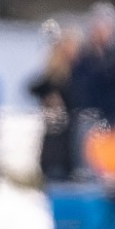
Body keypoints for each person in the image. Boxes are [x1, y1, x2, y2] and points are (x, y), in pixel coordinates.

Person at [68, 4, 115, 135]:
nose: (100, 32)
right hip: (89, 119)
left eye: (105, 27)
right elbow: (80, 90)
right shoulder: (84, 58)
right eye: (96, 27)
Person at [30, 27, 79, 183]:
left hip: (72, 131)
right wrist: (49, 97)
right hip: (54, 132)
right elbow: (34, 87)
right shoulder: (53, 73)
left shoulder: (81, 72)